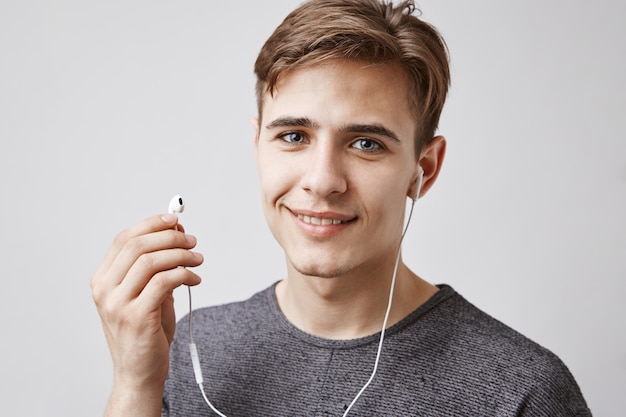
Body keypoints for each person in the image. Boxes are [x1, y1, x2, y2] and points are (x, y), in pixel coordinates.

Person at [91, 0, 592, 415]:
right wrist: (135, 387)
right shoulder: (184, 351)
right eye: (293, 136)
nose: (322, 180)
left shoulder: (523, 391)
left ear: (425, 170)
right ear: (258, 147)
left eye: (366, 144)